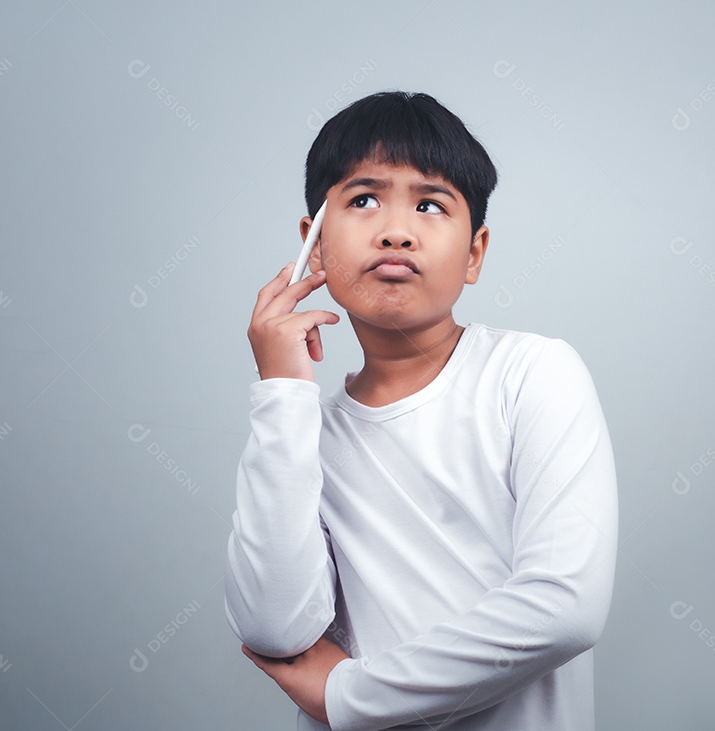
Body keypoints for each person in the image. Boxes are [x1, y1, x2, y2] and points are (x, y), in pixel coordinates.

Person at [224, 90, 618, 730]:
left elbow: (565, 606)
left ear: (474, 253)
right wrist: (282, 392)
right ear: (315, 247)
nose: (397, 229)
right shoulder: (301, 431)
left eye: (431, 204)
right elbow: (273, 625)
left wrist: (351, 696)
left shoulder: (533, 374)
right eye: (363, 200)